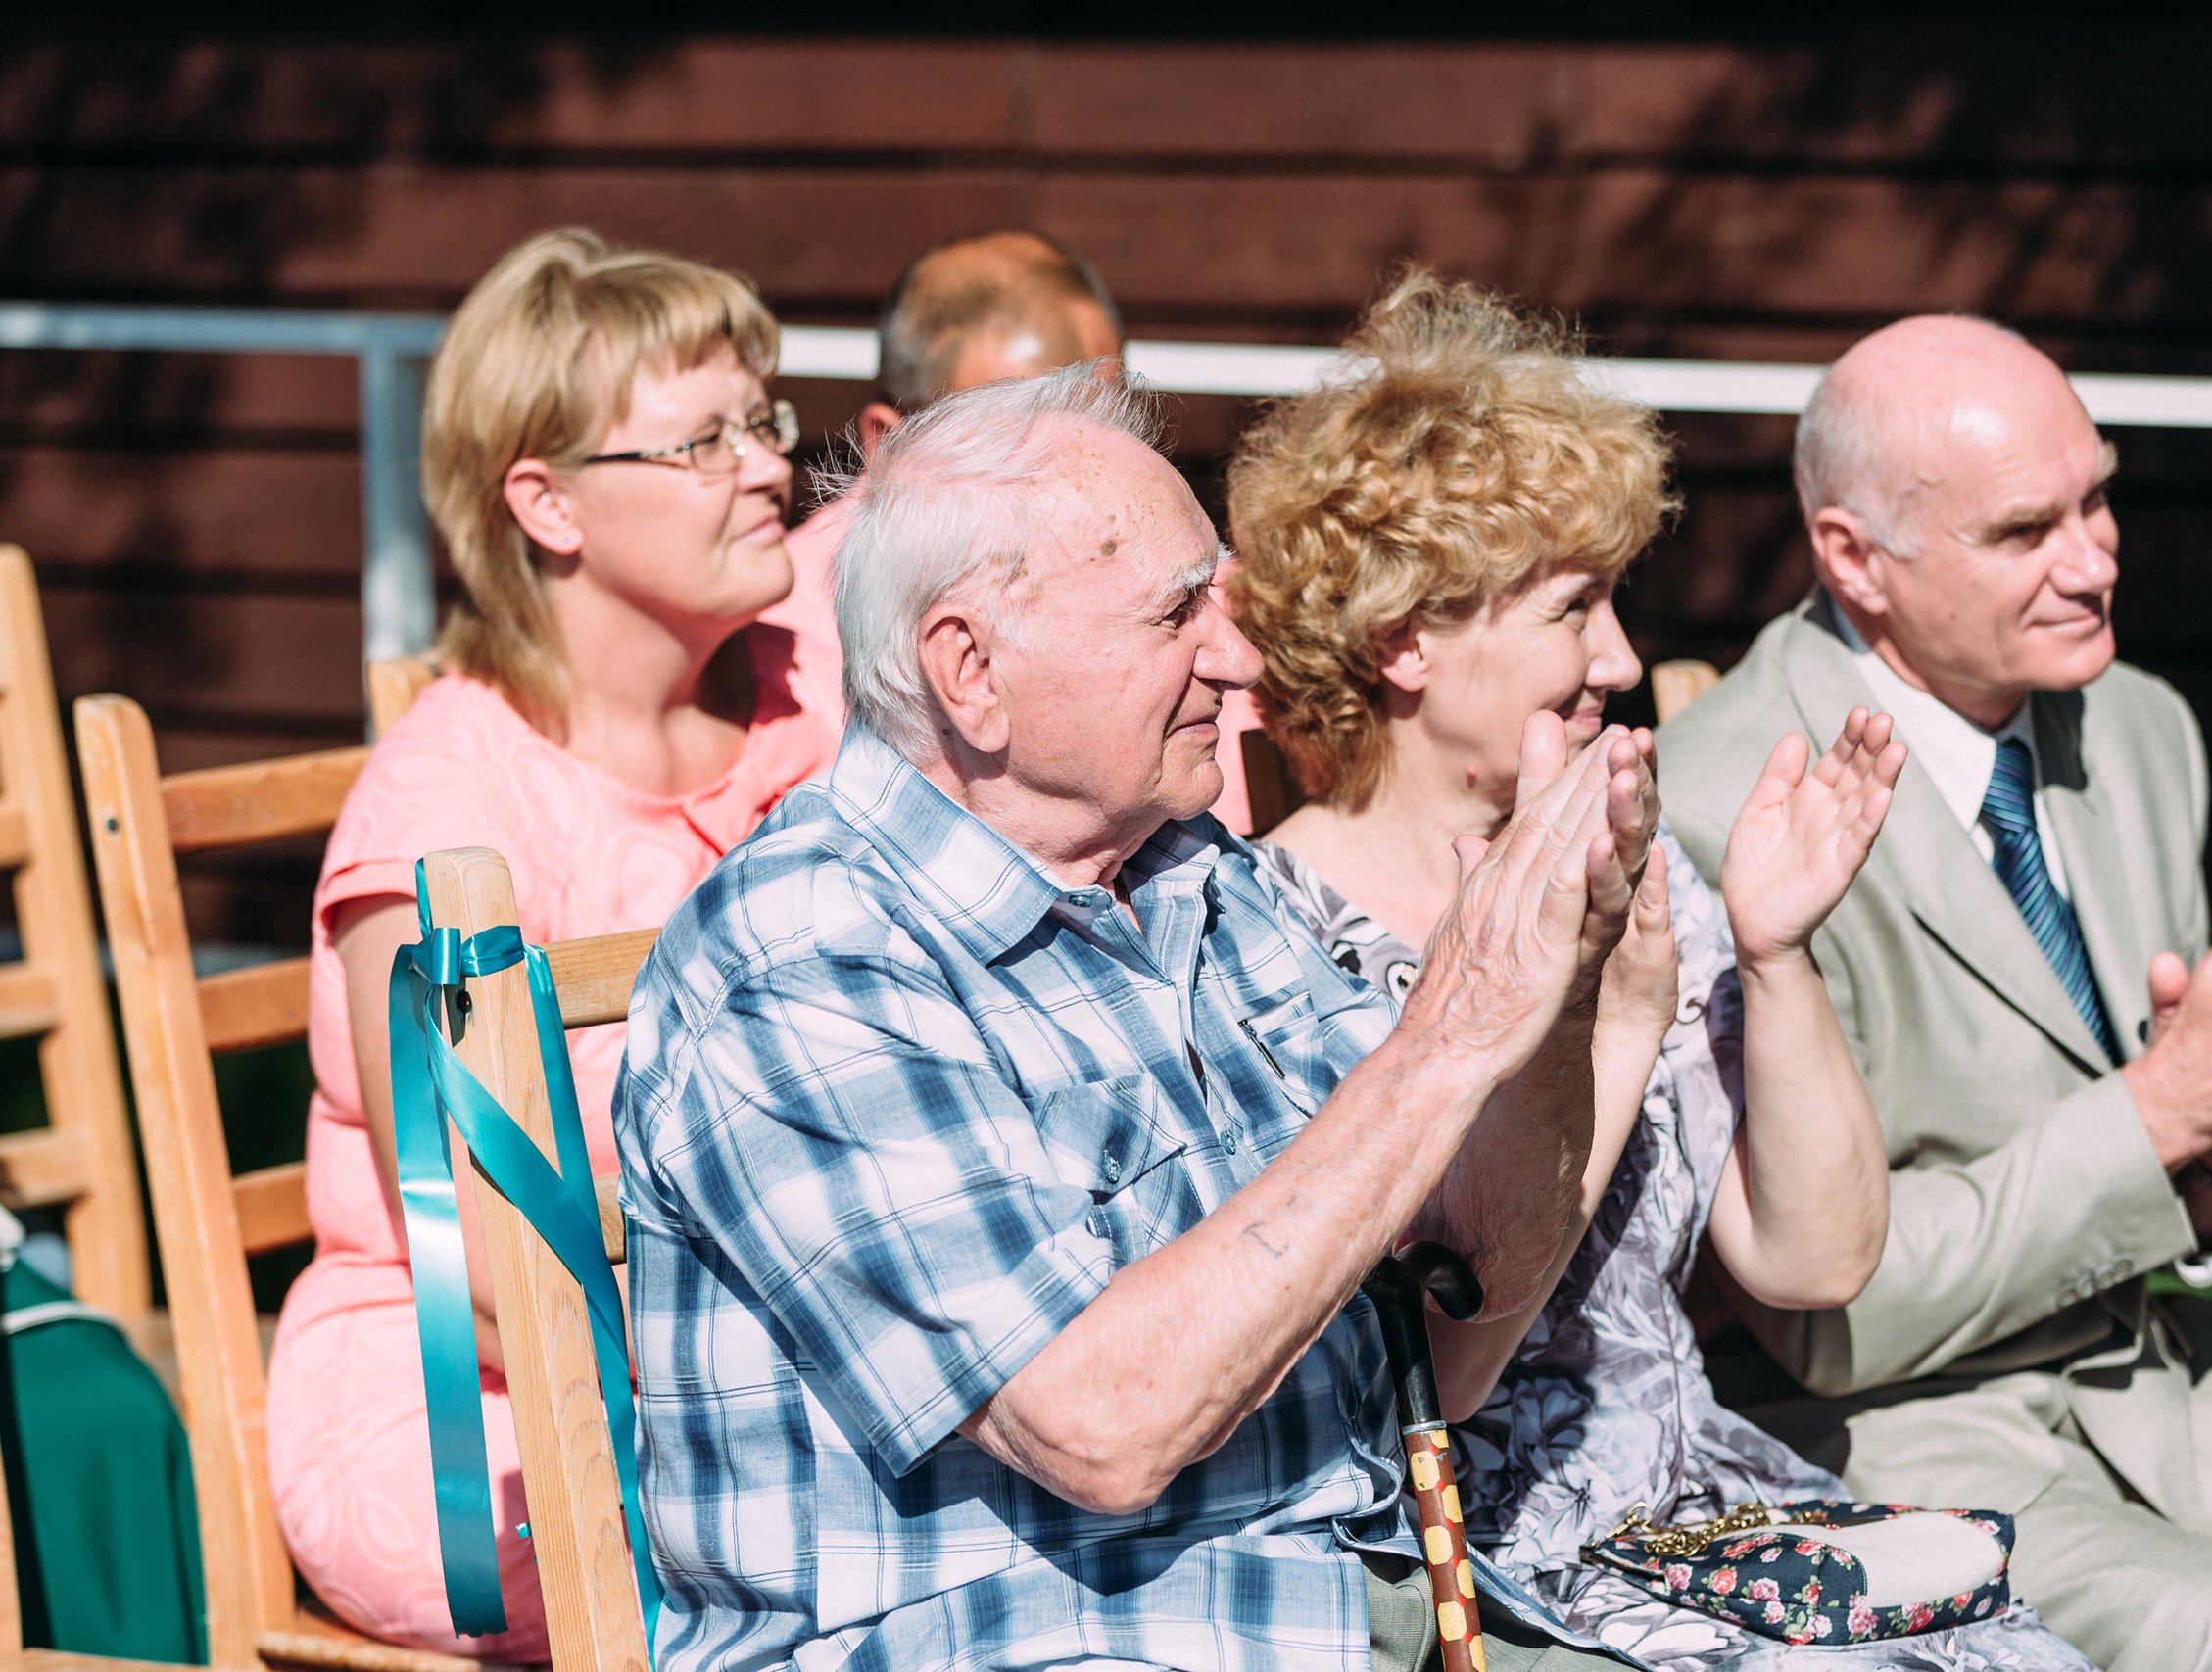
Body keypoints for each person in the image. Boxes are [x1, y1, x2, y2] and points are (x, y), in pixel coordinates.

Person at [614, 363, 1666, 1672]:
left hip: (1357, 1613)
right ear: (971, 670)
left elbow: (1450, 1332)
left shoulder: (1194, 878)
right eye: (1179, 612)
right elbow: (1103, 1425)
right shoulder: (807, 961)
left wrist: (1563, 986)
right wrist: (1447, 1037)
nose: (1235, 659)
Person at [1226, 273, 2097, 1672]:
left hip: (1699, 1508)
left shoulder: (1641, 870)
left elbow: (1813, 1257)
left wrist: (1776, 944)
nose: (1622, 656)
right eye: (1575, 608)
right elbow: (1413, 1398)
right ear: (1405, 640)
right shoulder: (1270, 941)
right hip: (1476, 1556)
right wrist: (1607, 1025)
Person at [1658, 313, 2212, 1672]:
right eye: (2023, 530)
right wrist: (2167, 1107)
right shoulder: (1721, 807)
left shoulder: (2144, 728)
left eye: (2098, 495)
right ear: (1853, 561)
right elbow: (1830, 1321)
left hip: (2155, 1377)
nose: (2095, 557)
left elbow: (2162, 1187)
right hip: (1870, 1440)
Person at [264, 228, 842, 1659]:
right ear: (549, 504)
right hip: (490, 1409)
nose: (769, 465)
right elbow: (483, 1260)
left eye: (763, 418)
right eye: (702, 442)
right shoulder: (442, 822)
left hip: (761, 1350)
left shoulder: (801, 705)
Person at [760, 228, 1125, 723]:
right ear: (888, 446)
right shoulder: (775, 635)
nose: (1079, 486)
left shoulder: (1201, 606)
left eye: (1115, 438)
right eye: (1012, 448)